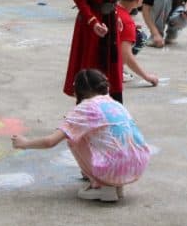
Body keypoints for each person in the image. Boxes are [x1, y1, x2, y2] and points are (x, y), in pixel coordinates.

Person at [12, 69, 150, 203]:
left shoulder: (84, 109)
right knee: (109, 138)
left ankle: (102, 185)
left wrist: (24, 143)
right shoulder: (116, 104)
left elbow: (50, 141)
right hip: (138, 165)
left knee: (73, 137)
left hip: (111, 169)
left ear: (77, 91)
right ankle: (117, 186)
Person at [117, 0, 159, 86]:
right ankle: (117, 70)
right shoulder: (127, 22)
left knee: (136, 33)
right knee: (141, 36)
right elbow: (126, 54)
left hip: (92, 59)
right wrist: (146, 76)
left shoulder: (112, 9)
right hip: (106, 64)